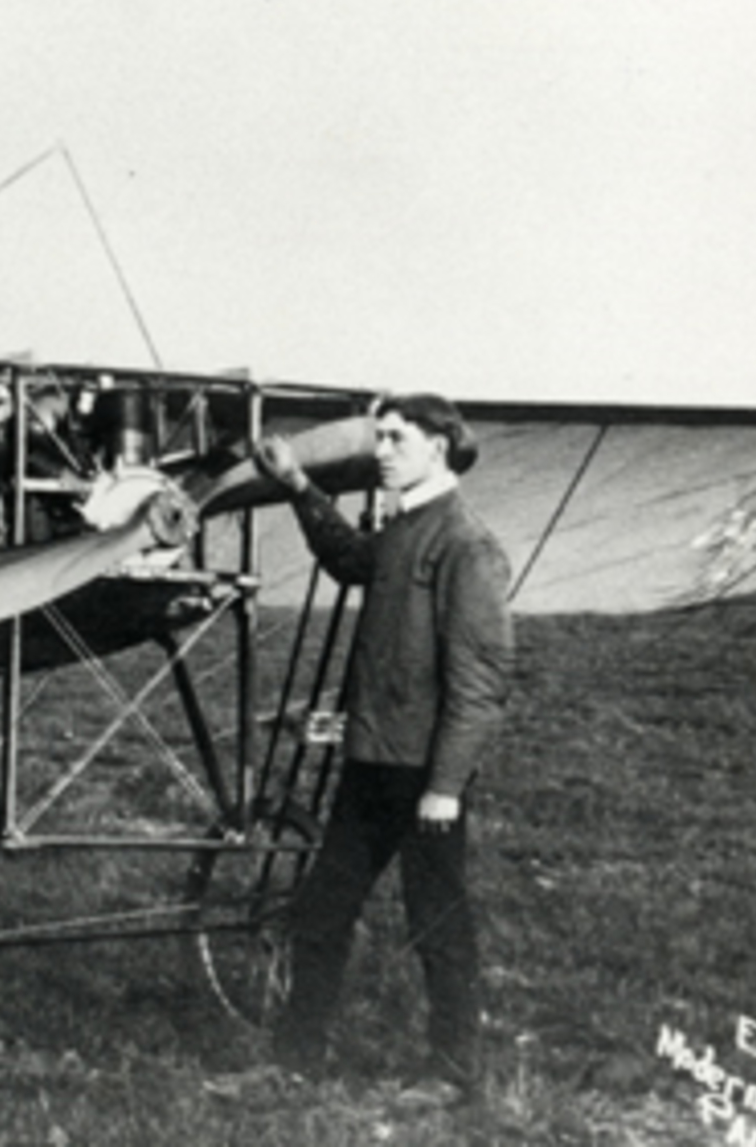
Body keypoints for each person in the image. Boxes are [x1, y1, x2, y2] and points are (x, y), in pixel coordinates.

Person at [253, 393, 515, 1107]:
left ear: (440, 444)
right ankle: (296, 1061)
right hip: (370, 765)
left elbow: (481, 682)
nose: (384, 451)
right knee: (321, 912)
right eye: (381, 438)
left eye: (398, 438)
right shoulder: (405, 528)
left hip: (423, 777)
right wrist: (298, 487)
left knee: (437, 921)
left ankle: (452, 1073)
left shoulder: (465, 545)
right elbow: (348, 560)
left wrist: (446, 786)